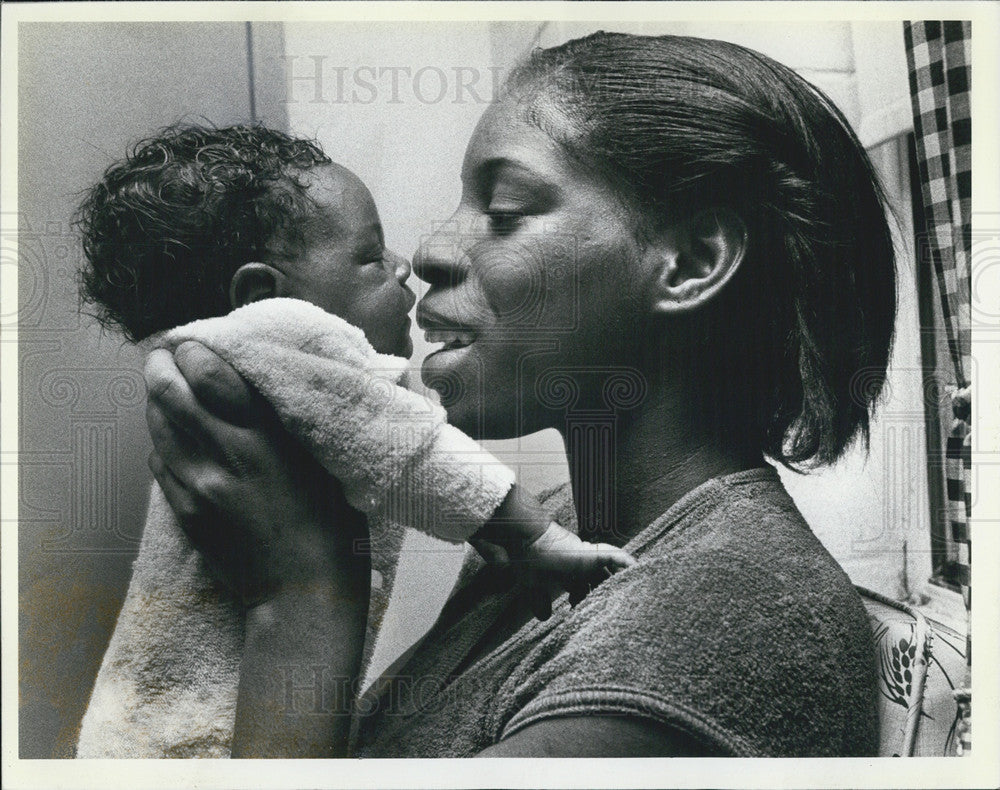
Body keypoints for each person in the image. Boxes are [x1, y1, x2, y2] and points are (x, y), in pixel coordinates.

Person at [142, 32, 896, 757]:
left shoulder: (735, 618)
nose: (432, 251)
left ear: (691, 262)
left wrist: (300, 599)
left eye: (503, 212)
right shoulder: (555, 534)